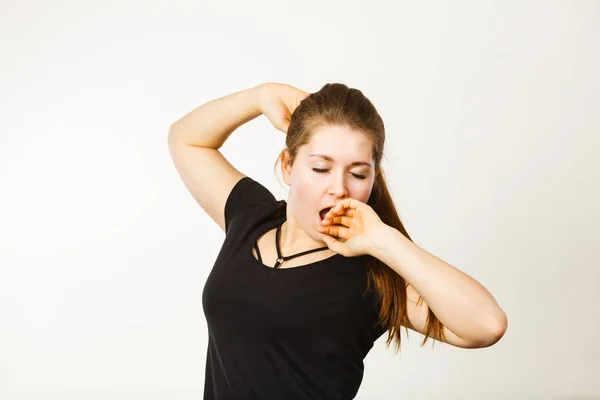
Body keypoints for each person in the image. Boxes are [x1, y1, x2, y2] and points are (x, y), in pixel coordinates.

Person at [167, 82, 508, 399]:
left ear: (373, 179)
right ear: (288, 166)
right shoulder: (250, 218)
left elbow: (487, 325)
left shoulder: (372, 276)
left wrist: (383, 240)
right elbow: (186, 138)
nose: (339, 188)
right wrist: (259, 96)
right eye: (320, 168)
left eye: (358, 173)